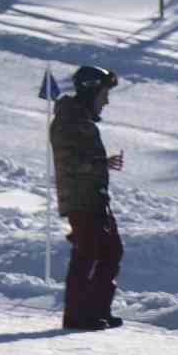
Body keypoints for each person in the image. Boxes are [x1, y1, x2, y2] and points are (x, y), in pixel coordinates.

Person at [51, 65, 124, 331]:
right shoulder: (69, 121)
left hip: (94, 197)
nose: (106, 100)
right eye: (104, 93)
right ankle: (78, 316)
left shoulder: (80, 121)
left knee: (110, 250)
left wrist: (102, 164)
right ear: (91, 91)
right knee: (88, 253)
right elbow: (69, 162)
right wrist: (100, 164)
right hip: (81, 200)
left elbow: (84, 161)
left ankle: (97, 310)